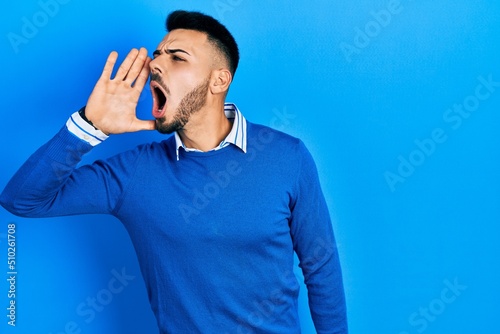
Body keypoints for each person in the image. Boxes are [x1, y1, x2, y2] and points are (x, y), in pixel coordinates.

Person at [0, 10, 347, 334]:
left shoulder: (287, 157)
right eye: (158, 54)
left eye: (177, 57)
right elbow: (22, 200)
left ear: (218, 80)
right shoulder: (133, 172)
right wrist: (88, 127)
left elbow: (321, 267)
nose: (155, 64)